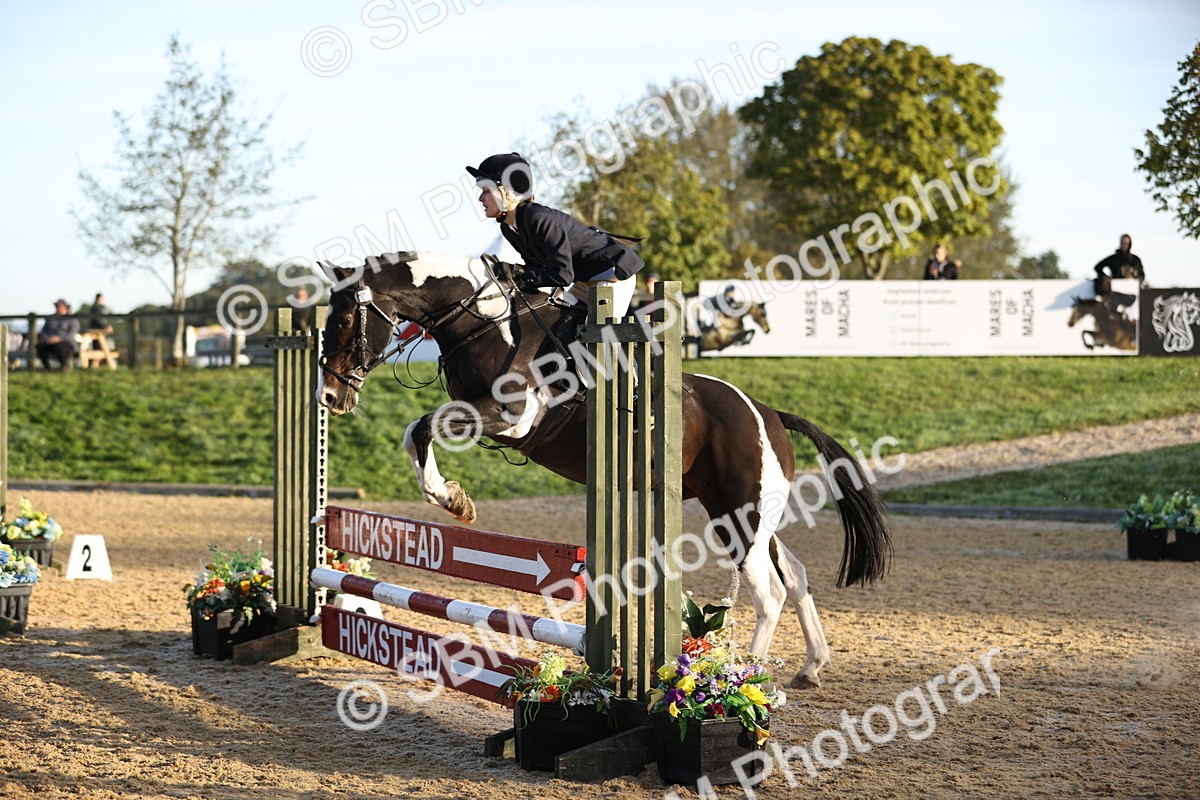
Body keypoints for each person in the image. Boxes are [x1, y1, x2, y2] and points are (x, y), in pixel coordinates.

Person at [468, 152, 644, 342]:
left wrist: (518, 271)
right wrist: (514, 276)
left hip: (612, 274)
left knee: (597, 339)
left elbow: (562, 275)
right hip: (584, 279)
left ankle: (631, 371)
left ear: (508, 192)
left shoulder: (538, 219)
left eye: (486, 190)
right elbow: (540, 271)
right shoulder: (509, 227)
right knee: (564, 327)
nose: (480, 198)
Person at [1093, 234, 1143, 316]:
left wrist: (1136, 282)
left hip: (1130, 293)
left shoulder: (1135, 260)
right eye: (1123, 243)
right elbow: (1097, 267)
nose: (1124, 245)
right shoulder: (1114, 259)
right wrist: (1105, 277)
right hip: (1115, 291)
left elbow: (1142, 276)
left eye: (1126, 243)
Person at [36, 299, 80, 371]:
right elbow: (43, 331)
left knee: (60, 347)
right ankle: (46, 367)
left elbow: (72, 333)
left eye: (59, 306)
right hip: (50, 341)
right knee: (40, 347)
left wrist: (60, 339)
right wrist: (47, 339)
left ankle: (64, 366)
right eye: (56, 306)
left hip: (66, 342)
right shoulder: (51, 318)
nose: (57, 308)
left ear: (65, 307)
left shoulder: (71, 319)